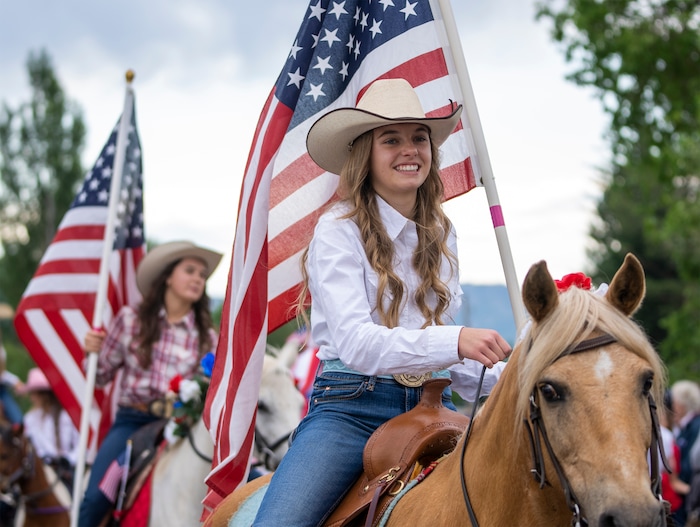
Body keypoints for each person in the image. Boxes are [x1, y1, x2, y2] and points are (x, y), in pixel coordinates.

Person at [251, 78, 511, 527]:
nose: (409, 149)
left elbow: (460, 372)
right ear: (364, 155)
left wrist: (522, 375)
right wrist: (458, 339)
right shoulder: (337, 231)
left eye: (419, 138)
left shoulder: (442, 234)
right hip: (351, 411)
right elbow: (357, 344)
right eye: (391, 139)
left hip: (434, 407)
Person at [77, 240, 222, 527]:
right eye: (190, 271)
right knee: (95, 499)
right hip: (132, 423)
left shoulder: (207, 337)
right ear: (167, 277)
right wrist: (91, 352)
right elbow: (100, 375)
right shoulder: (131, 320)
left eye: (202, 276)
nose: (197, 279)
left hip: (179, 428)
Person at [20, 367, 80, 492]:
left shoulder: (67, 416)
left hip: (65, 470)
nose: (32, 398)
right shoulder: (30, 419)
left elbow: (81, 445)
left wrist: (69, 459)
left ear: (44, 395)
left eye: (34, 393)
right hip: (39, 470)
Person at [672, 379, 700, 526]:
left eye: (674, 402)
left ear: (682, 405)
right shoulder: (685, 426)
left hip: (689, 493)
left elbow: (693, 461)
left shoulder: (695, 425)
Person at [0, 333, 24, 425]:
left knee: (18, 420)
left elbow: (2, 373)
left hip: (2, 389)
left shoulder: (1, 350)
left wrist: (15, 382)